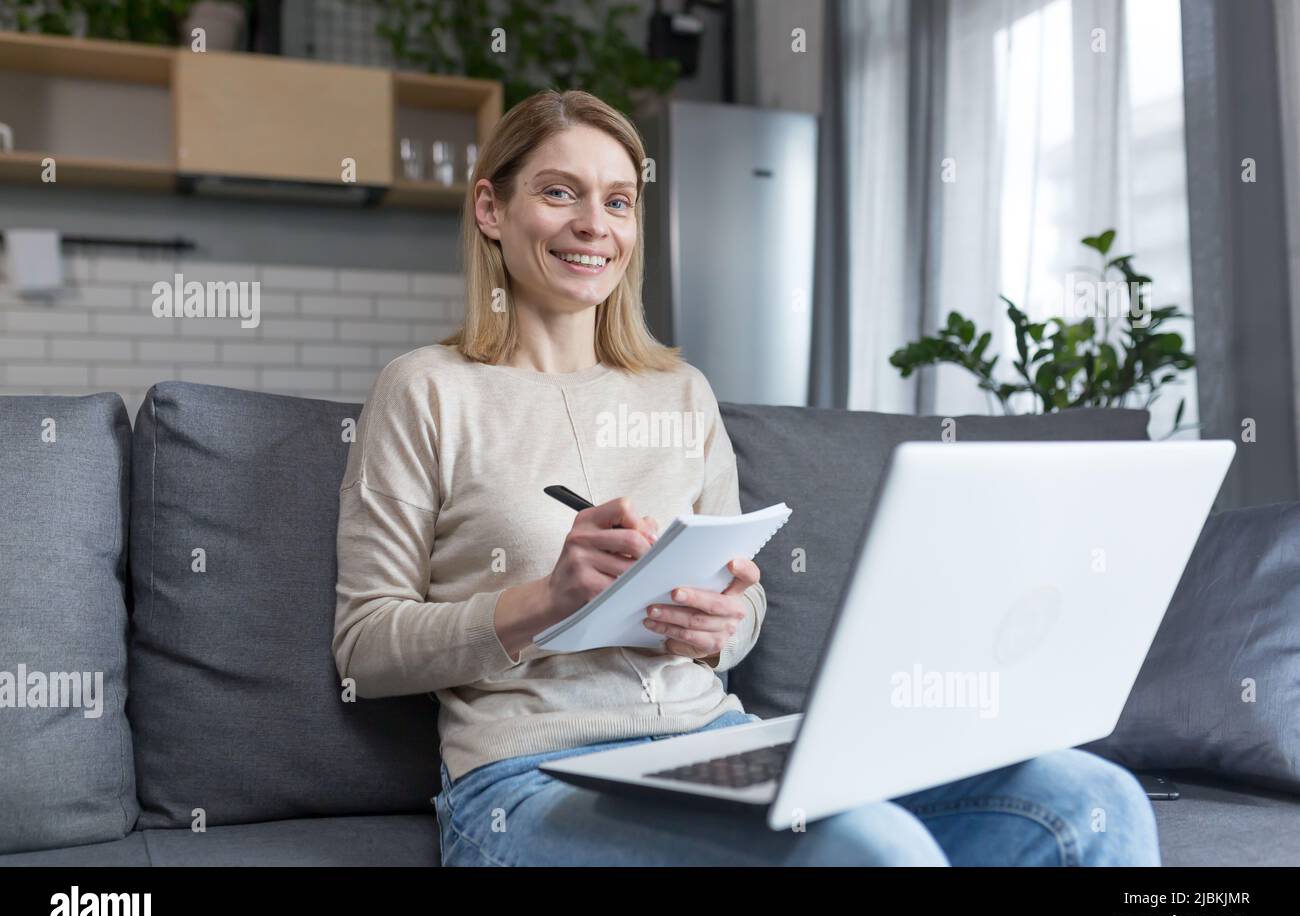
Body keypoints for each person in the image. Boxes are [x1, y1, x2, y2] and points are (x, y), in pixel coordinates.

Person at [332, 89, 1160, 867]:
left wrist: (719, 626)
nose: (594, 225)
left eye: (619, 201)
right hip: (529, 784)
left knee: (1092, 796)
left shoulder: (681, 394)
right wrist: (543, 602)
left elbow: (746, 607)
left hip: (708, 744)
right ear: (490, 209)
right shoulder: (427, 390)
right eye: (559, 193)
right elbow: (364, 649)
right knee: (870, 848)